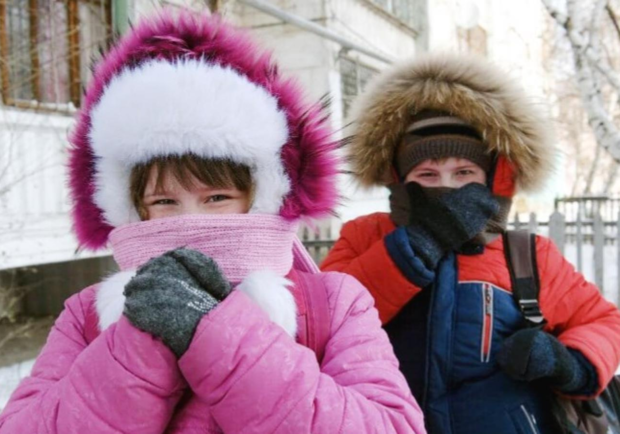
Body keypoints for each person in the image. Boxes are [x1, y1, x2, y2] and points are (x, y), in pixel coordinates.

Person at [0, 11, 426, 434]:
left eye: (217, 197)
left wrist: (215, 331)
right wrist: (140, 339)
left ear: (259, 197)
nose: (191, 220)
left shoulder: (333, 304)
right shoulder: (85, 316)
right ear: (134, 210)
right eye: (165, 200)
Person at [321, 53, 620, 434]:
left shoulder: (527, 255)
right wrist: (419, 244)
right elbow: (323, 322)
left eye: (464, 172)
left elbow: (603, 321)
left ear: (494, 178)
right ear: (400, 180)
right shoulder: (365, 235)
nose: (448, 187)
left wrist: (563, 362)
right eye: (427, 174)